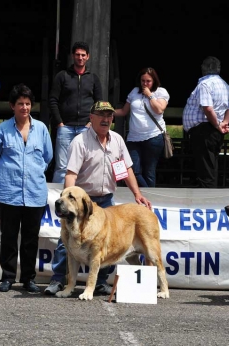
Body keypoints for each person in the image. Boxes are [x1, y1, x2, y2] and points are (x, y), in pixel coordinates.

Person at [45, 101, 152, 296]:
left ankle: (100, 283)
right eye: (101, 115)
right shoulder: (80, 141)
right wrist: (69, 201)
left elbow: (126, 169)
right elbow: (71, 173)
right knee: (67, 241)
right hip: (83, 202)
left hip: (107, 200)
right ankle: (58, 280)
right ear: (91, 118)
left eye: (109, 116)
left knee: (106, 243)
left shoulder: (118, 140)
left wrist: (138, 194)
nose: (105, 119)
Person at [0, 84, 53, 293]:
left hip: (35, 192)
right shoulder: (2, 129)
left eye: (27, 104)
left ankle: (28, 279)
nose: (24, 107)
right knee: (8, 236)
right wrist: (7, 171)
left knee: (31, 238)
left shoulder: (41, 128)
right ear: (12, 106)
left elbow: (48, 157)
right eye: (20, 104)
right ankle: (7, 277)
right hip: (8, 192)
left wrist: (34, 171)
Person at [49, 41, 102, 184]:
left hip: (86, 128)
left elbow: (99, 103)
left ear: (88, 57)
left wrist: (91, 123)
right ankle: (57, 200)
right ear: (73, 56)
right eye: (77, 54)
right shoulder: (62, 76)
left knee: (86, 165)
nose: (80, 57)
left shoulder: (93, 78)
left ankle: (84, 196)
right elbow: (53, 100)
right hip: (65, 127)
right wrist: (60, 123)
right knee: (62, 167)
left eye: (83, 55)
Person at [182, 56, 229, 188]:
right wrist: (224, 123)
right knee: (211, 166)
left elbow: (207, 108)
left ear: (203, 68)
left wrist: (218, 124)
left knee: (205, 169)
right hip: (213, 131)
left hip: (204, 130)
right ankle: (209, 194)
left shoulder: (205, 84)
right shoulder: (225, 85)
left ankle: (206, 200)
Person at [113, 67, 169, 187]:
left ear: (154, 81)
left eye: (148, 81)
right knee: (132, 170)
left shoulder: (161, 92)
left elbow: (159, 110)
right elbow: (123, 111)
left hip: (153, 136)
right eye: (143, 81)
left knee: (149, 171)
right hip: (134, 137)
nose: (145, 84)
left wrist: (149, 95)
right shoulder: (134, 91)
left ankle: (150, 201)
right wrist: (106, 112)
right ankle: (145, 195)